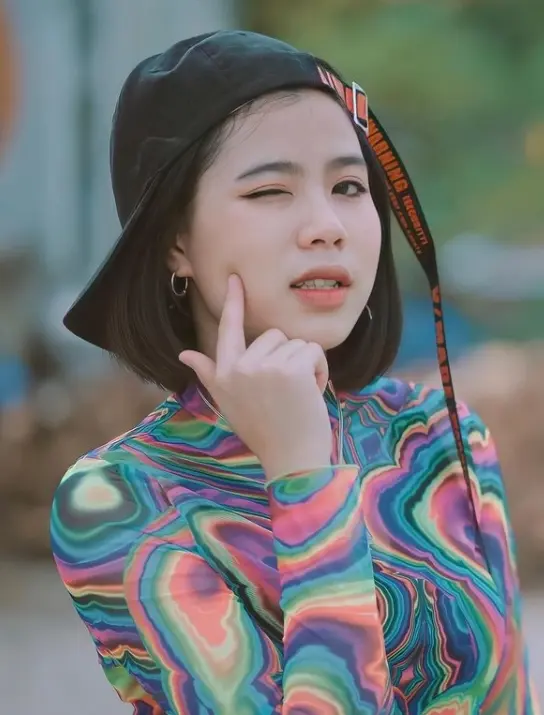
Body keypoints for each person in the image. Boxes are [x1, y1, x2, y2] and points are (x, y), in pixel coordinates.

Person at [50, 30, 538, 714]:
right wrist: (302, 475)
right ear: (174, 241)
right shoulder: (120, 498)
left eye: (348, 186)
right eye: (271, 190)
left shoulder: (436, 435)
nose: (326, 225)